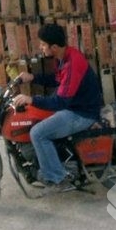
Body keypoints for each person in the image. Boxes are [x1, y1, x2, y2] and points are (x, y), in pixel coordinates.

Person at [13, 24, 102, 191]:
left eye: (43, 44)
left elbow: (60, 102)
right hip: (75, 107)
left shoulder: (72, 64)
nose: (40, 47)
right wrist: (32, 77)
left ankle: (57, 178)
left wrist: (31, 99)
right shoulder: (65, 56)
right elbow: (57, 79)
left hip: (81, 113)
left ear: (53, 47)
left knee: (38, 133)